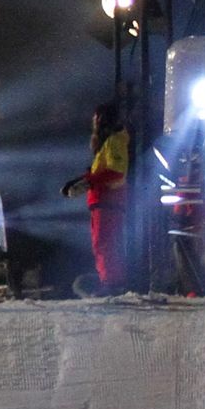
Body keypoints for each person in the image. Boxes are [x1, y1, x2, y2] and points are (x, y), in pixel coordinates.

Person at [61, 102, 130, 293]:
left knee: (105, 242)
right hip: (103, 200)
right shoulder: (109, 143)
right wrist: (81, 181)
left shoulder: (114, 141)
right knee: (103, 242)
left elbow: (116, 172)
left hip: (108, 200)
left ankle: (112, 284)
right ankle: (110, 281)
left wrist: (87, 183)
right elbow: (103, 171)